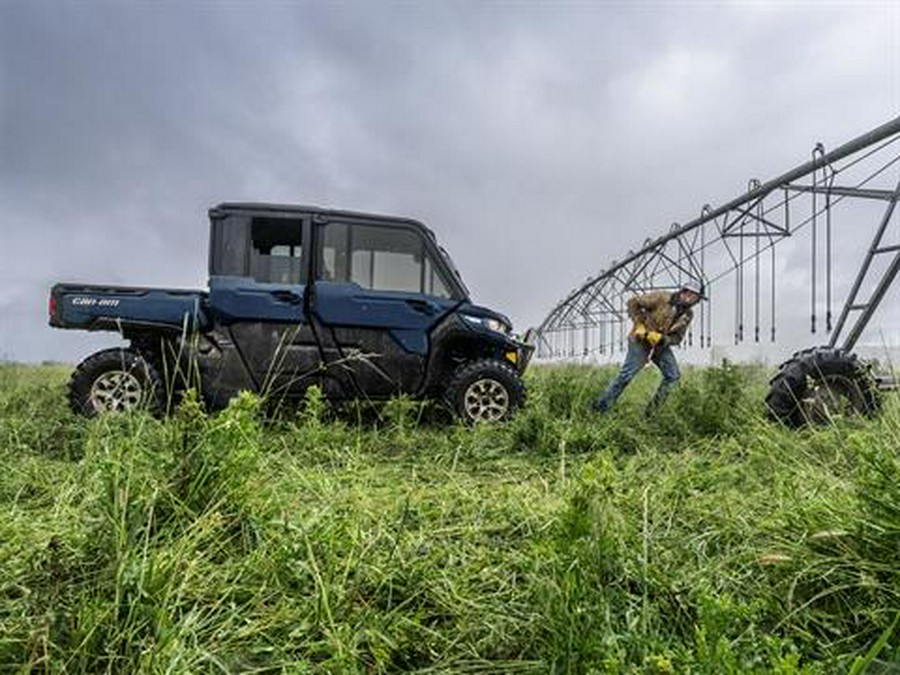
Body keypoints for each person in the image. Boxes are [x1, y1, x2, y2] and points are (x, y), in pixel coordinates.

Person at [593, 283, 706, 416]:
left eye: (695, 297)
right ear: (683, 292)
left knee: (673, 376)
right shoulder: (662, 297)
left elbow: (677, 338)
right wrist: (639, 324)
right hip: (640, 340)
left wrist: (663, 339)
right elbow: (633, 303)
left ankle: (651, 413)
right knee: (626, 375)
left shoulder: (687, 314)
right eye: (689, 294)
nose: (690, 298)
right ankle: (600, 408)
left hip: (658, 345)